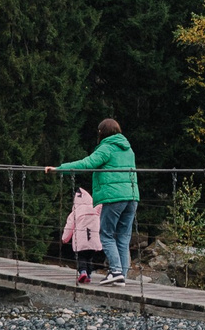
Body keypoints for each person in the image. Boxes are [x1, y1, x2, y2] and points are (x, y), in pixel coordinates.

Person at [44, 119, 138, 286]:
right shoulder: (128, 149)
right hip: (132, 197)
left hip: (113, 197)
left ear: (101, 133)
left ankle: (115, 271)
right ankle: (121, 275)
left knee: (106, 235)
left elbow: (86, 163)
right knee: (123, 237)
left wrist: (59, 169)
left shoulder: (106, 148)